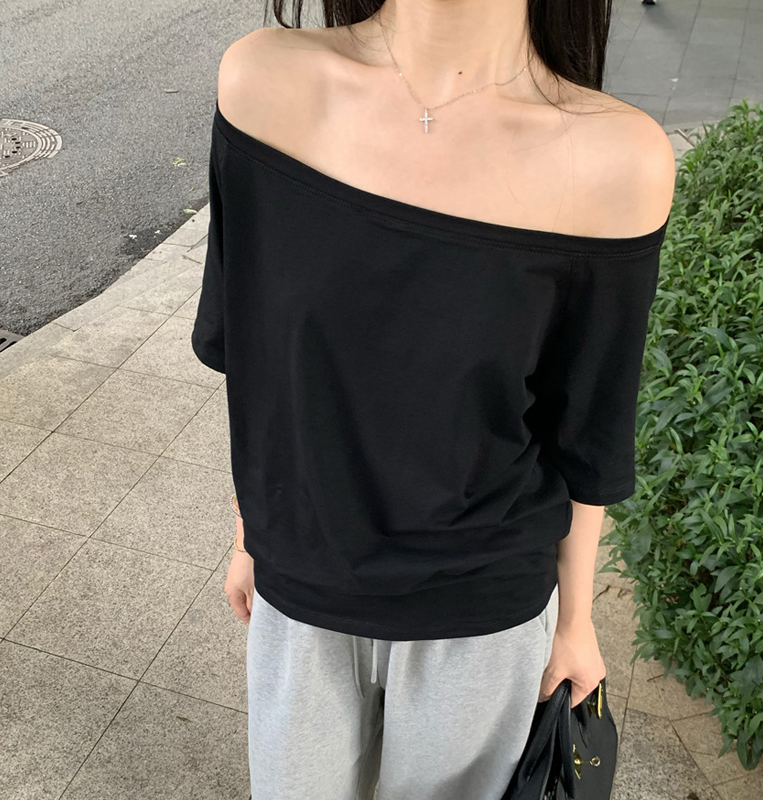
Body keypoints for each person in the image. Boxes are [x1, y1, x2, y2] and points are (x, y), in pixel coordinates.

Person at [191, 1, 676, 798]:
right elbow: (251, 352)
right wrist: (250, 529)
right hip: (301, 585)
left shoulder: (616, 160)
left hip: (482, 615)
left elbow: (587, 433)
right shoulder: (264, 83)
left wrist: (577, 622)